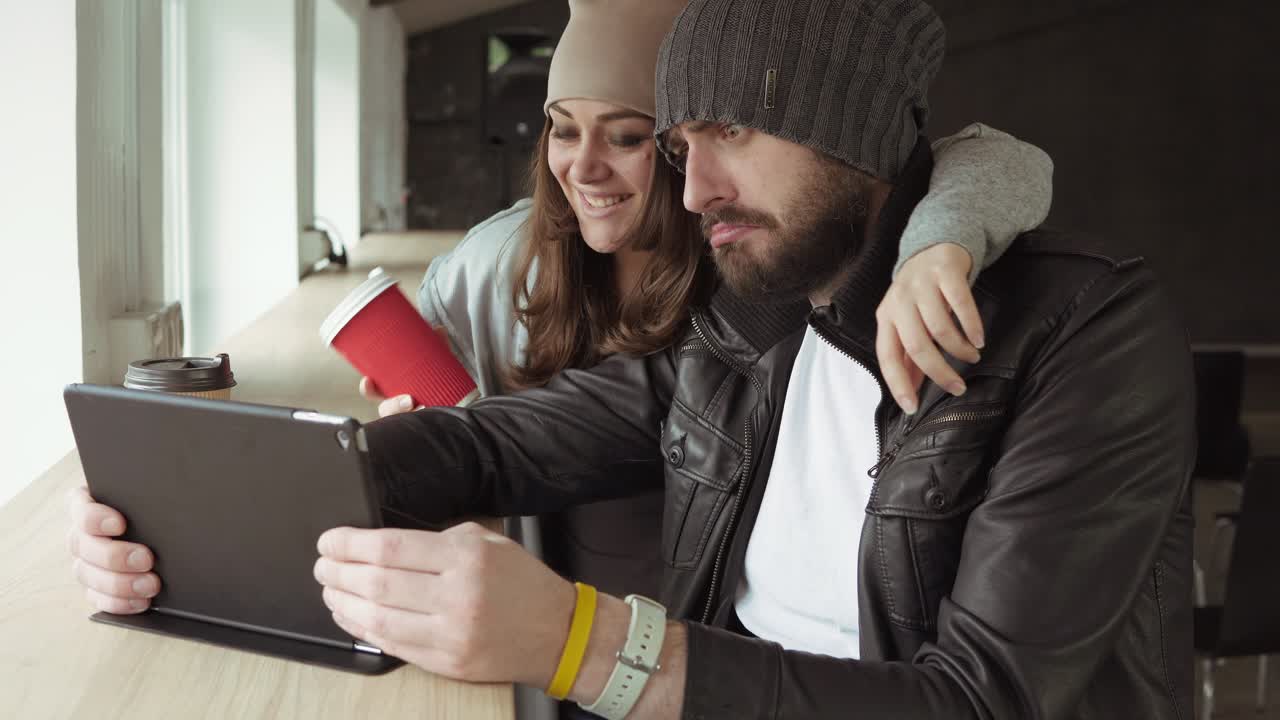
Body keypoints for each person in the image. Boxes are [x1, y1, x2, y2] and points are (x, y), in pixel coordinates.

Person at [293, 0, 1190, 717]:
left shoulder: (1085, 330)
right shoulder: (756, 322)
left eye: (731, 131)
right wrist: (271, 483)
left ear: (849, 124)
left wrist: (583, 644)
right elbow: (497, 443)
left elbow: (983, 701)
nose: (693, 191)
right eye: (681, 147)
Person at [355, 0, 1052, 607]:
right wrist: (406, 436)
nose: (584, 167)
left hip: (678, 636)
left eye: (627, 136)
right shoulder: (501, 263)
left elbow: (989, 158)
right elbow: (486, 440)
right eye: (563, 129)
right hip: (551, 613)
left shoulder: (761, 271)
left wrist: (938, 242)